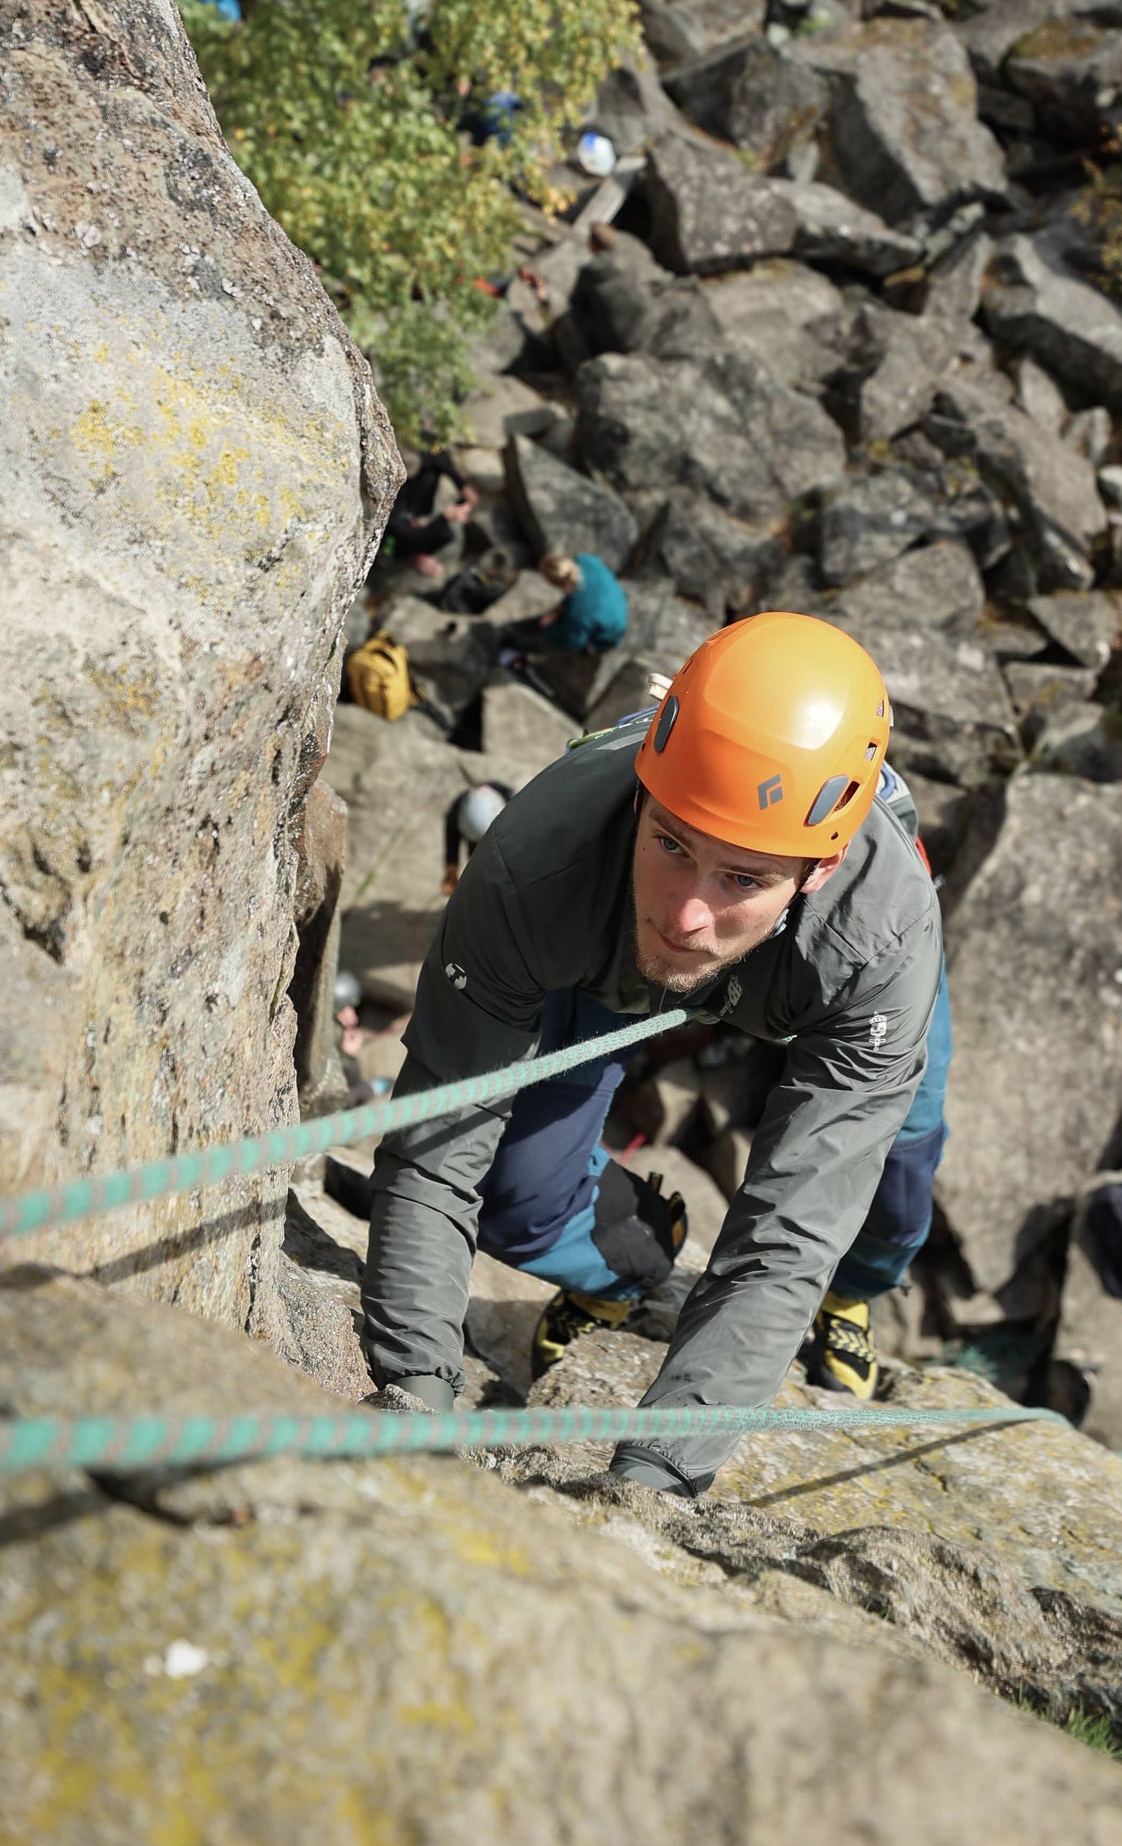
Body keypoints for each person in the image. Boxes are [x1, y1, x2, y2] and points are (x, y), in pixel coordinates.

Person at [359, 614, 949, 1489]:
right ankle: (634, 1255)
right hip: (602, 948)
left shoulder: (881, 936)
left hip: (825, 975)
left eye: (742, 876)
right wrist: (414, 1395)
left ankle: (857, 1290)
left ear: (818, 867)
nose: (687, 914)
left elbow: (784, 1237)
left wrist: (657, 1479)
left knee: (892, 1186)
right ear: (641, 793)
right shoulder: (536, 863)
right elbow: (438, 1152)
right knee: (513, 1197)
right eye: (673, 843)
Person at [384, 448, 478, 582]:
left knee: (431, 473)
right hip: (400, 534)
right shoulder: (397, 518)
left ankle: (415, 554)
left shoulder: (418, 501)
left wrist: (462, 486)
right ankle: (415, 555)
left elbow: (438, 454)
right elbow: (399, 533)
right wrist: (444, 518)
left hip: (407, 524)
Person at [521, 549, 629, 654]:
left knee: (549, 638)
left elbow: (572, 643)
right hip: (617, 606)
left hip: (607, 638)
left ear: (556, 584)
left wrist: (549, 627)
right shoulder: (585, 560)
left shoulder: (578, 613)